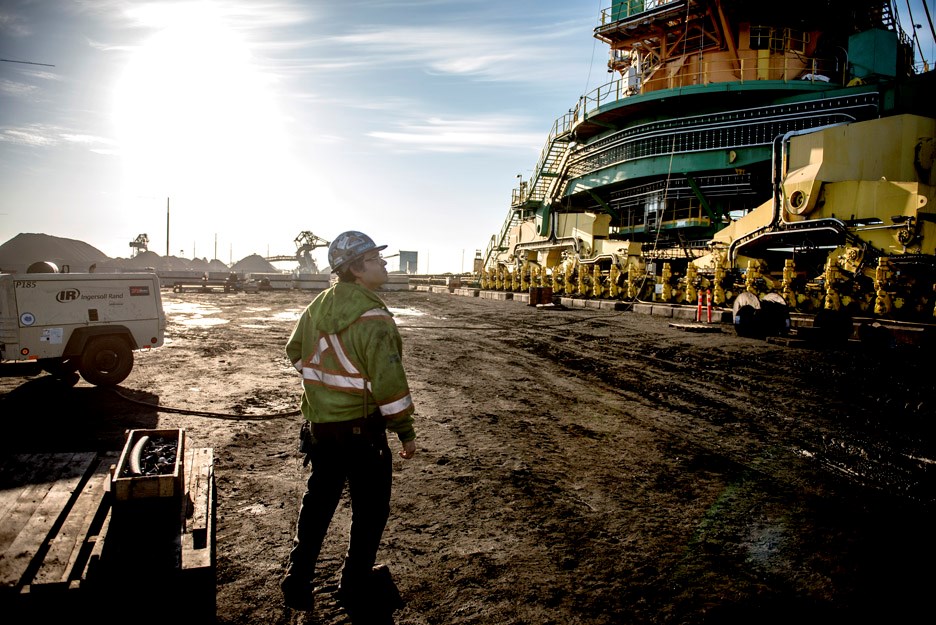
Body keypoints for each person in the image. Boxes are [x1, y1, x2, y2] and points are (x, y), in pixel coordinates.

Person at [281, 230, 417, 616]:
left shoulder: (319, 304)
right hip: (361, 434)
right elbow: (390, 387)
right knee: (371, 509)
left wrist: (322, 388)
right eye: (376, 259)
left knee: (319, 501)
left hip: (320, 429)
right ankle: (354, 581)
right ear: (357, 269)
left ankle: (298, 577)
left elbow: (294, 351)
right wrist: (405, 432)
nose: (385, 264)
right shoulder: (374, 317)